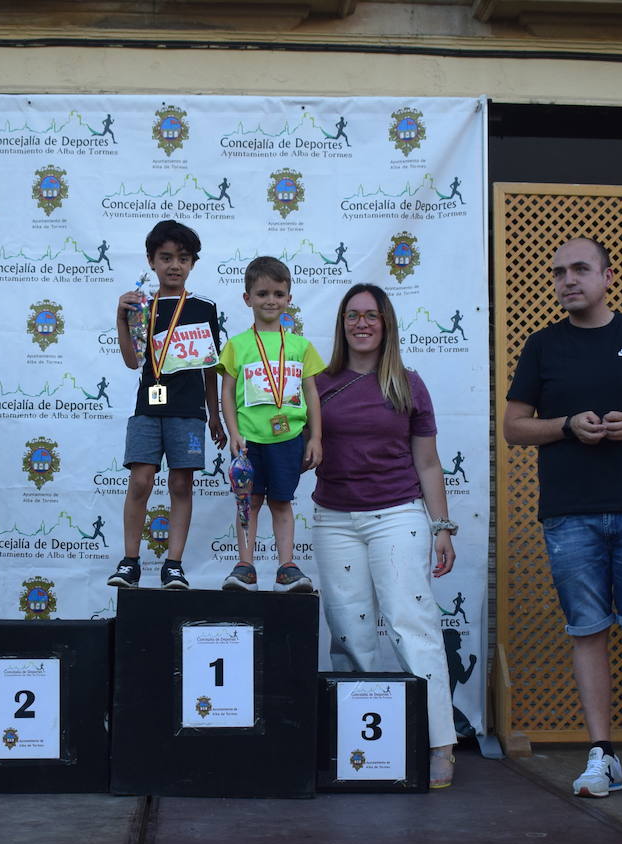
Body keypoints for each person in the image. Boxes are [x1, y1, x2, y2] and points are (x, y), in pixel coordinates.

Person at [502, 237, 622, 803]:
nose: (567, 280)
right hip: (570, 514)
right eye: (558, 271)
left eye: (580, 269)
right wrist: (566, 426)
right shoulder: (542, 346)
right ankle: (602, 756)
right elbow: (514, 427)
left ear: (607, 276)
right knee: (586, 633)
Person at [312, 283, 458, 788]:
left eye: (371, 315)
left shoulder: (409, 384)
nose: (361, 323)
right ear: (342, 324)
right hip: (333, 518)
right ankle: (358, 742)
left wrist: (441, 526)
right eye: (352, 315)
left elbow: (429, 462)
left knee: (411, 625)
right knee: (350, 634)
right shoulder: (318, 382)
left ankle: (440, 743)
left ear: (386, 322)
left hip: (398, 514)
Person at [107, 220, 225, 589]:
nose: (175, 265)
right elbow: (131, 361)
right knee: (140, 480)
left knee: (181, 483)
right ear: (151, 261)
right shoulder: (140, 306)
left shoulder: (204, 307)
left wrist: (215, 416)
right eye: (166, 257)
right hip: (148, 406)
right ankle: (130, 561)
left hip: (189, 411)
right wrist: (120, 318)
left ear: (193, 263)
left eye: (184, 258)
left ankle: (173, 564)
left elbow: (210, 367)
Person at [217, 256, 323, 592]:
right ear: (247, 298)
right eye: (262, 293)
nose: (270, 300)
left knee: (282, 502)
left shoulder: (300, 346)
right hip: (249, 441)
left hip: (288, 438)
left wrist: (315, 437)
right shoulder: (237, 345)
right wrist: (233, 432)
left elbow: (312, 395)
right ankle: (245, 566)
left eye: (278, 293)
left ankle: (286, 566)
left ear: (289, 299)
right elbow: (227, 393)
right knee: (248, 503)